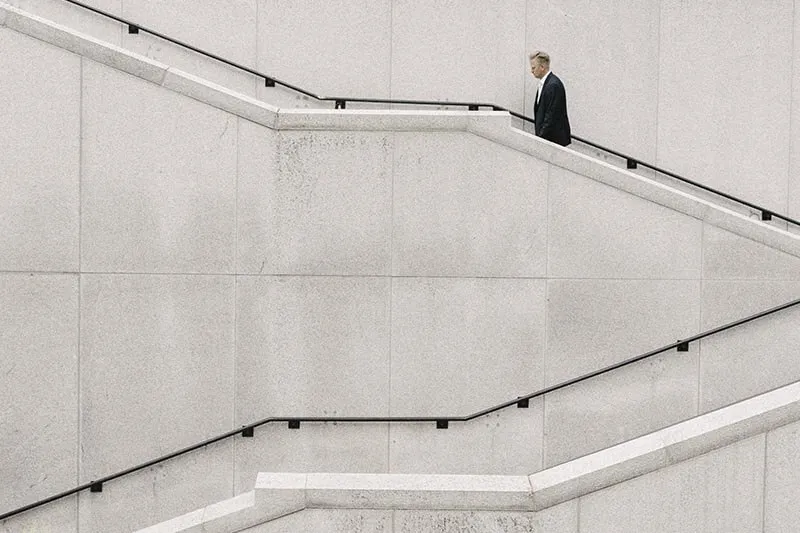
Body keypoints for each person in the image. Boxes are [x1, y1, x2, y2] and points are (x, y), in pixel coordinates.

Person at [529, 51, 571, 146]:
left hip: (553, 140)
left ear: (542, 67)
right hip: (549, 139)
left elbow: (551, 116)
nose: (531, 71)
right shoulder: (546, 84)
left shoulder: (553, 85)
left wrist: (540, 138)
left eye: (533, 68)